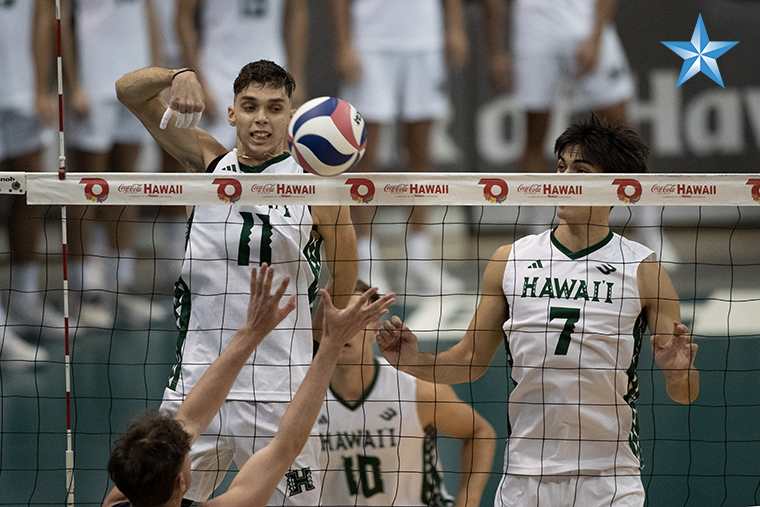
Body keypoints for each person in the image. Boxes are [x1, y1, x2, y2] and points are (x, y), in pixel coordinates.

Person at [376, 115, 700, 506]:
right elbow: (469, 361)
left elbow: (685, 395)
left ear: (616, 186)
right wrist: (412, 361)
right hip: (526, 479)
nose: (564, 180)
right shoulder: (510, 259)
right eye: (561, 168)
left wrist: (679, 371)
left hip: (610, 479)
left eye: (581, 171)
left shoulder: (644, 271)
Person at [115, 59, 358, 504]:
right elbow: (128, 92)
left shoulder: (317, 189)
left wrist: (318, 348)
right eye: (249, 106)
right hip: (196, 386)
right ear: (231, 114)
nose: (261, 119)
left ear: (291, 116)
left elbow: (344, 278)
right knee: (150, 499)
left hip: (280, 389)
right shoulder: (206, 162)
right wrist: (177, 75)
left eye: (274, 107)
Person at [103, 264, 396, 507]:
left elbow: (190, 420)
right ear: (180, 483)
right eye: (185, 459)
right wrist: (329, 344)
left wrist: (252, 333)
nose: (189, 450)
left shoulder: (116, 504)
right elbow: (286, 446)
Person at [329, 0, 470, 295]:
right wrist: (344, 44)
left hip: (425, 42)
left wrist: (454, 26)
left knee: (420, 153)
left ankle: (418, 259)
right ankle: (365, 259)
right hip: (371, 42)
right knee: (364, 153)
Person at [318, 280, 496, 507]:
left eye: (355, 318)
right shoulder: (300, 398)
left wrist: (468, 502)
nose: (343, 328)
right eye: (335, 317)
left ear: (375, 325)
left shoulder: (417, 390)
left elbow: (480, 432)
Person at [61, 0, 162, 325]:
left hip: (135, 81)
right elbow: (61, 21)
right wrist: (74, 83)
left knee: (126, 182)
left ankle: (119, 285)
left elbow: (150, 15)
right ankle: (81, 289)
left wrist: (157, 74)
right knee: (87, 185)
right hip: (94, 82)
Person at [0, 0, 60, 364]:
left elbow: (42, 15)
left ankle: (23, 299)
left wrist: (40, 86)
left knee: (31, 190)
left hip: (21, 90)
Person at [176, 0, 310, 148]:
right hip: (217, 76)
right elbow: (183, 17)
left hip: (273, 72)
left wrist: (296, 79)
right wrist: (199, 82)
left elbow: (298, 12)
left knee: (272, 158)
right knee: (212, 162)